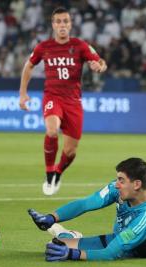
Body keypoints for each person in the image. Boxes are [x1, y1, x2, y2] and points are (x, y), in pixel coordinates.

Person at [28, 157, 146, 261]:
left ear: (136, 184)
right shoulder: (122, 190)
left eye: (121, 180)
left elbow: (111, 253)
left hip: (134, 249)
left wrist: (72, 254)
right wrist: (52, 217)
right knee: (53, 248)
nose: (115, 184)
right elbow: (86, 203)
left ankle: (69, 236)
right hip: (121, 236)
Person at [19, 7, 107, 196]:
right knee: (51, 131)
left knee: (71, 151)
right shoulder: (44, 47)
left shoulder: (80, 45)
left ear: (70, 24)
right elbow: (29, 66)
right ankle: (49, 171)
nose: (62, 25)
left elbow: (100, 62)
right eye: (58, 21)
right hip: (52, 97)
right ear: (53, 25)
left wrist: (97, 67)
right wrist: (23, 93)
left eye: (65, 21)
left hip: (73, 102)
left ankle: (58, 171)